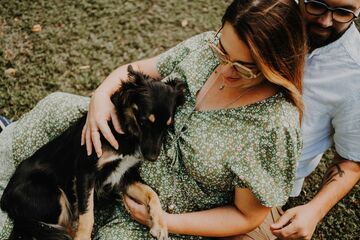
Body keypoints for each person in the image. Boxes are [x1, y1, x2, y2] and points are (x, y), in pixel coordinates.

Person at [0, 0, 307, 239]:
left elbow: (248, 217)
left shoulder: (274, 127)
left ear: (276, 65)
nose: (223, 69)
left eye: (244, 68)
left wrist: (164, 220)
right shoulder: (204, 47)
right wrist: (99, 97)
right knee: (55, 108)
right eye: (221, 51)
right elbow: (137, 70)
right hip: (121, 151)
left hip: (157, 211)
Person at [227, 0, 360, 239]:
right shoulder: (263, 14)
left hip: (261, 190)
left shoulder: (355, 75)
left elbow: (352, 159)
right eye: (317, 5)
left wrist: (315, 210)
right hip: (203, 148)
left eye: (343, 12)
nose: (325, 21)